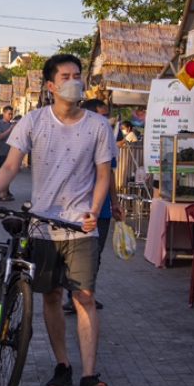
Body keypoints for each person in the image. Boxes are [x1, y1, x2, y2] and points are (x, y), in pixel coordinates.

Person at [0, 54, 113, 386]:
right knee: (50, 296)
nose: (74, 81)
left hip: (81, 227)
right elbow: (9, 165)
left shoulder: (98, 125)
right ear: (50, 86)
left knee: (84, 298)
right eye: (66, 76)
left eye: (78, 75)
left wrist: (94, 211)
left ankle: (88, 376)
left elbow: (104, 176)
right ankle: (63, 364)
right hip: (43, 227)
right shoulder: (34, 121)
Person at [67, 98, 123, 314]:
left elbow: (109, 175)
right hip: (77, 208)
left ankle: (83, 295)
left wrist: (116, 203)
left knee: (94, 255)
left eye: (108, 115)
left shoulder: (107, 141)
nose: (107, 120)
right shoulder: (75, 139)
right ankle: (75, 295)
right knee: (75, 254)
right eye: (103, 115)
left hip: (103, 211)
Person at [0, 106, 16, 201]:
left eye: (11, 113)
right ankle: (1, 193)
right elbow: (0, 137)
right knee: (3, 174)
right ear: (3, 113)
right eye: (8, 113)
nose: (10, 115)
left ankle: (5, 191)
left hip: (12, 152)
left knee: (9, 174)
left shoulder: (12, 124)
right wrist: (9, 130)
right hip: (3, 152)